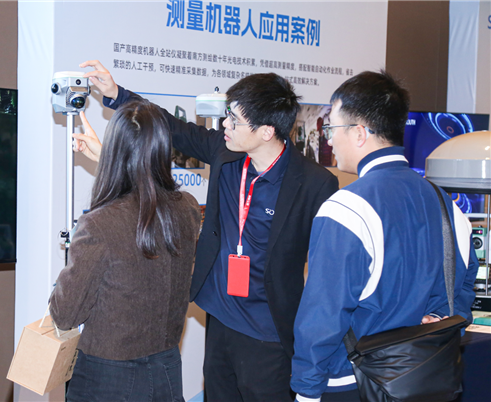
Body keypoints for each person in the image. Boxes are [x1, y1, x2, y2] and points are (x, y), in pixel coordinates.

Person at [76, 60, 339, 401]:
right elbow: (170, 126)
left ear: (266, 131)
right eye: (228, 114)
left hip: (269, 333)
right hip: (220, 321)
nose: (225, 124)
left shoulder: (315, 184)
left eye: (235, 120)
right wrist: (117, 94)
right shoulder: (226, 153)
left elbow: (326, 273)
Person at [290, 71, 479, 402]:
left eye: (332, 129)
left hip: (354, 380)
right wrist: (441, 319)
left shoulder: (345, 208)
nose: (329, 141)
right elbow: (463, 284)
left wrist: (306, 389)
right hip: (424, 377)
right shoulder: (447, 205)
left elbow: (323, 312)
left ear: (359, 133)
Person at [49, 99, 201, 402]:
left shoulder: (98, 225)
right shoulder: (188, 209)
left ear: (114, 152)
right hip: (168, 370)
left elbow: (64, 314)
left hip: (107, 379)